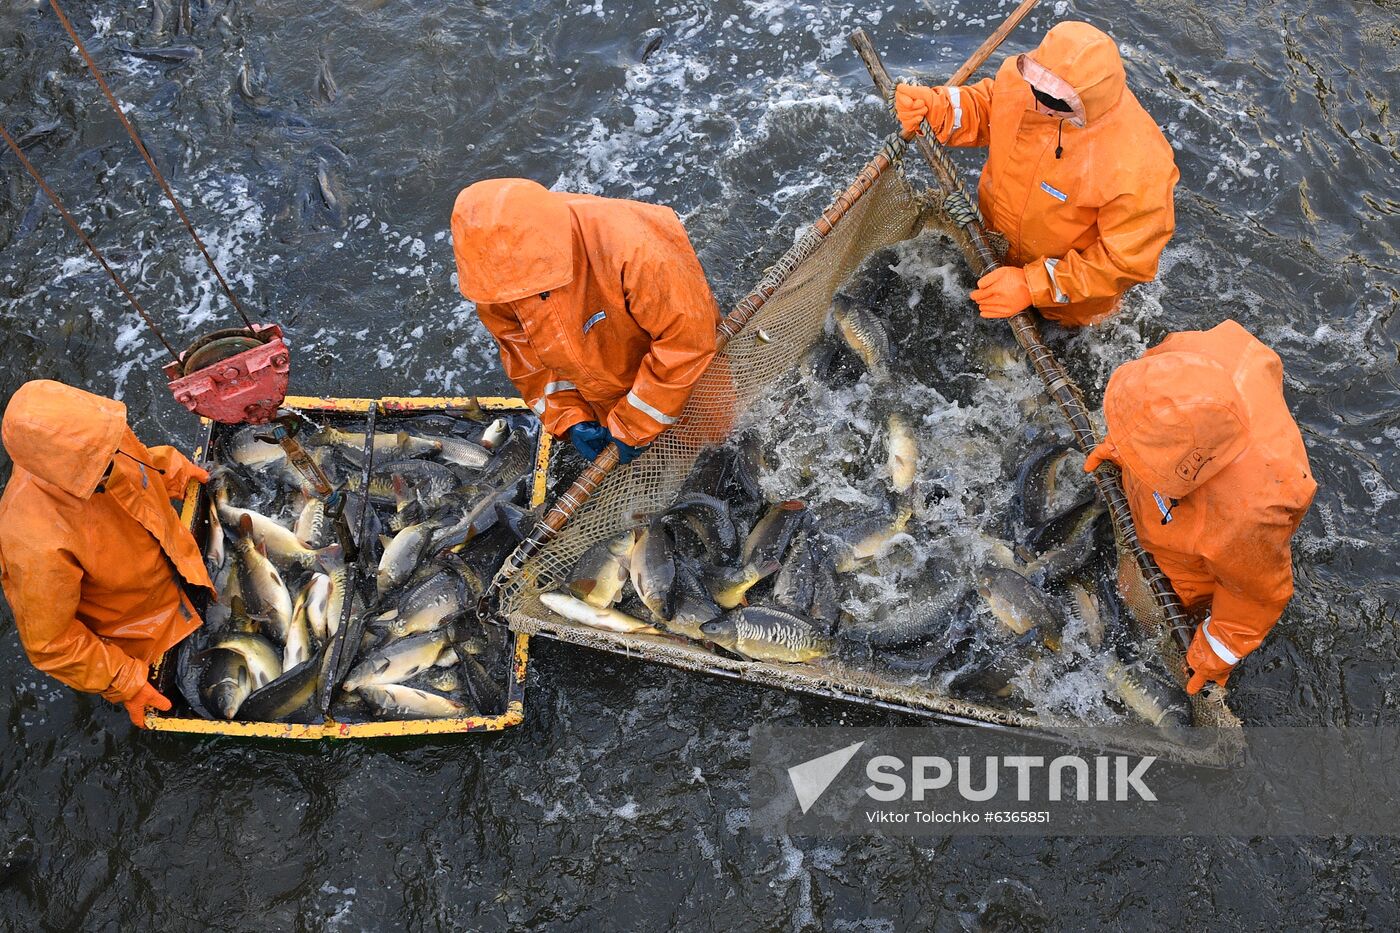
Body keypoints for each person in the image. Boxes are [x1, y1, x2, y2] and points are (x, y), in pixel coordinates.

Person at [893, 20, 1179, 326]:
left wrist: (1031, 286)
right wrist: (940, 109)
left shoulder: (1139, 164)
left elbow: (1124, 263)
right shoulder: (1021, 84)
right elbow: (989, 107)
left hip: (1069, 308)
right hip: (991, 249)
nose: (1042, 106)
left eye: (1057, 103)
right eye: (1038, 91)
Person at [1082, 321, 1316, 694]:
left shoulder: (1248, 515)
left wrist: (1220, 647)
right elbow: (1153, 399)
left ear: (1190, 469)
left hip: (1231, 523)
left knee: (1149, 598)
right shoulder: (1187, 358)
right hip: (1221, 410)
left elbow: (1255, 593)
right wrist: (1125, 441)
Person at [451, 177, 721, 464]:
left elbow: (688, 341)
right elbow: (530, 368)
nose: (515, 295)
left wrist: (634, 425)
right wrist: (570, 417)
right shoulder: (493, 285)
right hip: (605, 399)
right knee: (658, 463)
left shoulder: (632, 244)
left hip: (691, 375)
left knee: (716, 442)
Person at [0, 380, 213, 727]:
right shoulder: (32, 540)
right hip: (146, 638)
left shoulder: (100, 434)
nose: (112, 457)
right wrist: (124, 681)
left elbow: (136, 463)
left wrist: (170, 471)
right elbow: (51, 644)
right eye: (100, 466)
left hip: (187, 567)